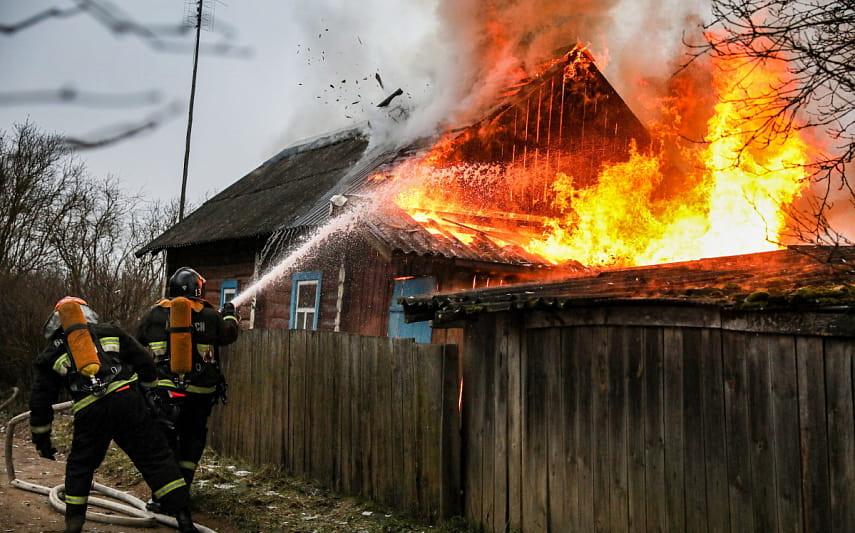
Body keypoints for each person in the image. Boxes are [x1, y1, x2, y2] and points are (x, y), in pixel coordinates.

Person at [29, 296, 199, 533]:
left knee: (81, 465)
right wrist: (151, 394)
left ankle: (74, 525)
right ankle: (184, 519)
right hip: (127, 399)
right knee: (155, 456)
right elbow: (145, 362)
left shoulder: (50, 354)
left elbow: (40, 401)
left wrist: (42, 438)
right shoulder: (109, 331)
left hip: (91, 409)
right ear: (86, 313)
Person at [137, 267, 239, 492]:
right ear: (197, 289)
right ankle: (183, 486)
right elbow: (229, 334)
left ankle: (164, 491)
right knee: (193, 436)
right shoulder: (209, 315)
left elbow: (139, 338)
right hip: (200, 392)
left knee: (165, 438)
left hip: (164, 390)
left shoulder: (155, 313)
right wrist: (231, 313)